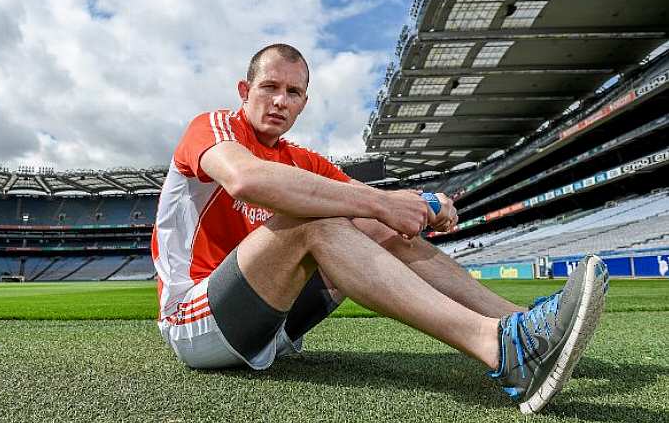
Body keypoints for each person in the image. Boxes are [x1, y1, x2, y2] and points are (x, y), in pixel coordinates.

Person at [151, 43, 608, 414]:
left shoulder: (302, 159)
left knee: (381, 229)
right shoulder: (213, 128)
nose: (280, 100)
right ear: (244, 90)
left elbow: (377, 211)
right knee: (319, 224)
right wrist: (383, 203)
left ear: (304, 102)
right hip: (196, 319)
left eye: (293, 92)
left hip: (275, 325)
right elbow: (246, 180)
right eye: (269, 87)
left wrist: (430, 204)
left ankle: (524, 326)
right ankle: (500, 349)